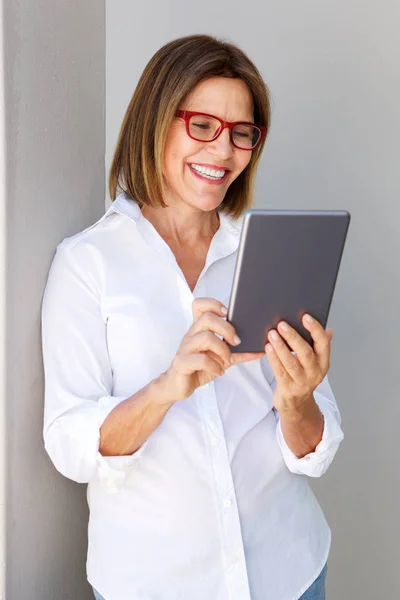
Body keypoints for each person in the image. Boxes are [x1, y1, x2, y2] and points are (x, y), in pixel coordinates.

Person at [42, 34, 344, 600]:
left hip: (288, 571)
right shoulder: (87, 264)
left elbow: (315, 450)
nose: (223, 151)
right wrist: (166, 388)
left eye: (241, 134)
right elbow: (68, 441)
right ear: (156, 121)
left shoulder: (271, 257)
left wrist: (298, 400)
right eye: (201, 125)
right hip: (153, 583)